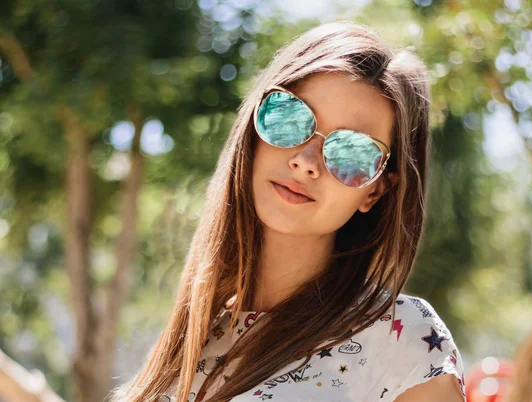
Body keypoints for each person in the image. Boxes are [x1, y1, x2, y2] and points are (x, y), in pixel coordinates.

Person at [110, 20, 467, 402]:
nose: (306, 161)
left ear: (375, 191)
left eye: (352, 152)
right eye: (289, 117)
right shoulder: (192, 336)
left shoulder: (405, 341)